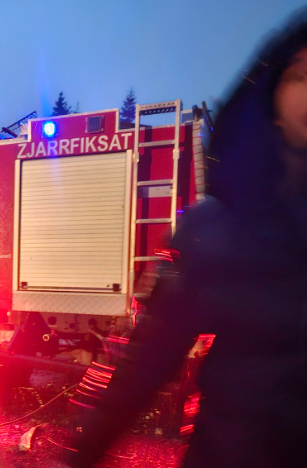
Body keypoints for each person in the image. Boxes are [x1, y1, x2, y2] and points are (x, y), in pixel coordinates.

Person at [69, 12, 307, 468]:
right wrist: (87, 452)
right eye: (299, 75)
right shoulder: (214, 231)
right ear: (272, 99)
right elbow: (147, 363)